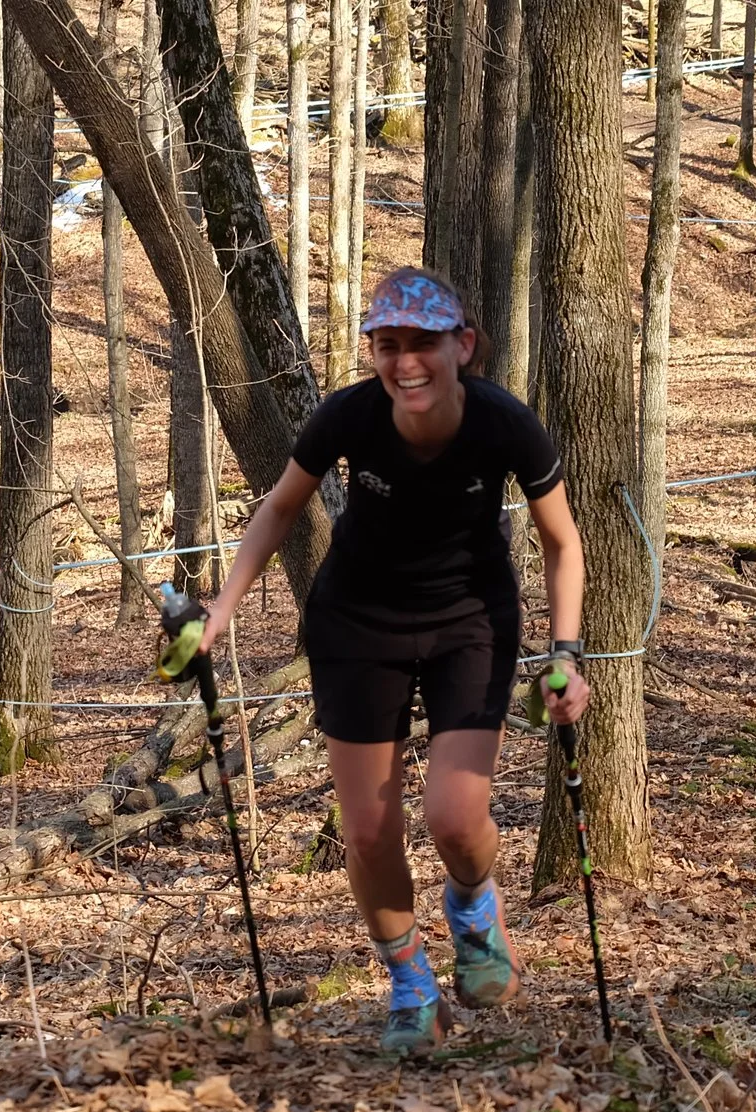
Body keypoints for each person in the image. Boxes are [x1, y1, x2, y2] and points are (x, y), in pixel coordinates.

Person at [197, 267, 590, 1056]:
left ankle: (474, 909)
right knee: (371, 833)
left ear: (462, 345)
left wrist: (566, 654)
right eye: (387, 345)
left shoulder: (504, 423)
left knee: (454, 815)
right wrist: (221, 608)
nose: (405, 362)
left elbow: (563, 543)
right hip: (357, 623)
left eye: (422, 344)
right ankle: (411, 983)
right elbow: (280, 508)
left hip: (468, 622)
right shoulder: (349, 415)